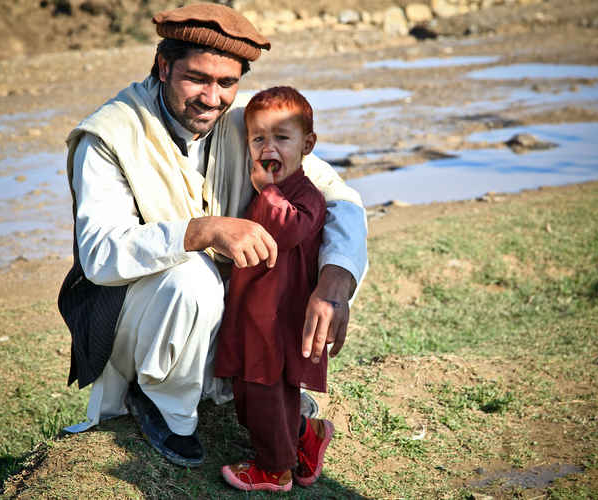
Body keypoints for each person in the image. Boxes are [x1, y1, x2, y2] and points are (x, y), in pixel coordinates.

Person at [57, 3, 368, 469]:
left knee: (285, 267)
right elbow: (101, 255)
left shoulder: (247, 126)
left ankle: (235, 389)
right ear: (163, 66)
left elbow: (338, 198)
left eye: (227, 83)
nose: (212, 97)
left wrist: (336, 282)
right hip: (128, 315)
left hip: (222, 315)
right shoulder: (109, 136)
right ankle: (164, 407)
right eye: (197, 78)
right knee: (195, 277)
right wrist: (202, 231)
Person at [215, 86, 334, 492]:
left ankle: (274, 469)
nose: (269, 147)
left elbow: (288, 229)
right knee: (247, 392)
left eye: (282, 138)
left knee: (266, 392)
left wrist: (267, 190)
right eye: (258, 138)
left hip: (280, 317)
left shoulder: (306, 196)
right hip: (253, 310)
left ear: (307, 144)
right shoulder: (267, 191)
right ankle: (306, 434)